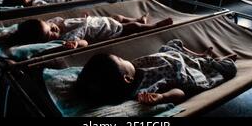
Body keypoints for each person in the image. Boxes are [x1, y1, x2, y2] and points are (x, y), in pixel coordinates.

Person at [75, 39, 237, 105]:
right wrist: (163, 97)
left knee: (173, 43)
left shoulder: (133, 68)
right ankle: (212, 60)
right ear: (127, 78)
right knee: (229, 68)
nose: (124, 58)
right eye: (120, 59)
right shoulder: (144, 91)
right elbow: (180, 91)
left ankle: (200, 55)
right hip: (189, 67)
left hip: (170, 55)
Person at [4, 15, 173, 49]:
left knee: (119, 17)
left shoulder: (53, 23)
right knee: (131, 29)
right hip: (106, 30)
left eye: (50, 27)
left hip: (97, 20)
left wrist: (82, 18)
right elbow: (85, 42)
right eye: (51, 34)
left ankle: (137, 19)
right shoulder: (68, 38)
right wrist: (77, 44)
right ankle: (153, 26)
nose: (54, 29)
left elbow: (63, 20)